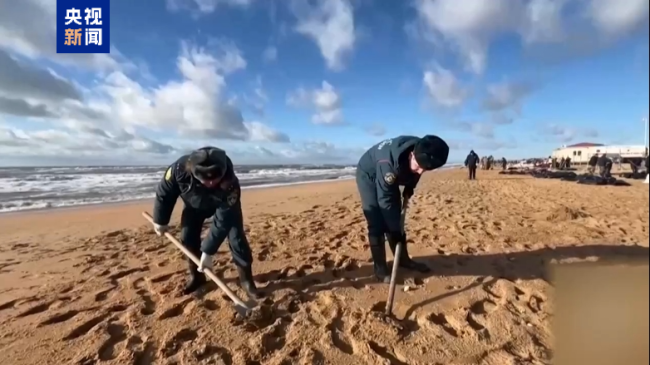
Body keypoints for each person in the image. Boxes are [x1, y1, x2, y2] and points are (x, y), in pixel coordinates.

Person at [151, 147, 262, 299]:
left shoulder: (231, 184)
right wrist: (160, 220)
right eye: (204, 178)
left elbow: (223, 221)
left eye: (214, 178)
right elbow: (164, 193)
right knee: (187, 238)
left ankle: (247, 281)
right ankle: (197, 277)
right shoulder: (178, 169)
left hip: (225, 209)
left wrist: (208, 251)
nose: (210, 182)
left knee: (237, 239)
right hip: (194, 206)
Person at [356, 135, 449, 282]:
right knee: (376, 220)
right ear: (411, 155)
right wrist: (395, 230)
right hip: (369, 174)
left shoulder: (423, 148)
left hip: (393, 170)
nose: (420, 172)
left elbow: (417, 171)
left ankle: (403, 259)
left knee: (395, 218)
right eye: (418, 167)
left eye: (424, 170)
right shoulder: (388, 163)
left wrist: (410, 186)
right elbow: (385, 201)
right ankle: (380, 269)